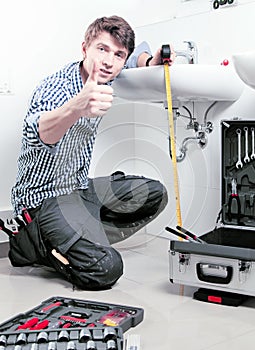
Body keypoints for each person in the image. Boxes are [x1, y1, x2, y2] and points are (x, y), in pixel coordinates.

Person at [10, 15, 175, 290]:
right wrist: (76, 107)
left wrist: (149, 62)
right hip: (43, 202)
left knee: (154, 194)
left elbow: (133, 59)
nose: (109, 61)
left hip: (79, 191)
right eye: (102, 49)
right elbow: (38, 133)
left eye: (118, 54)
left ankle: (78, 236)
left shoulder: (106, 72)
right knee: (107, 269)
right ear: (84, 48)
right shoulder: (57, 88)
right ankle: (33, 244)